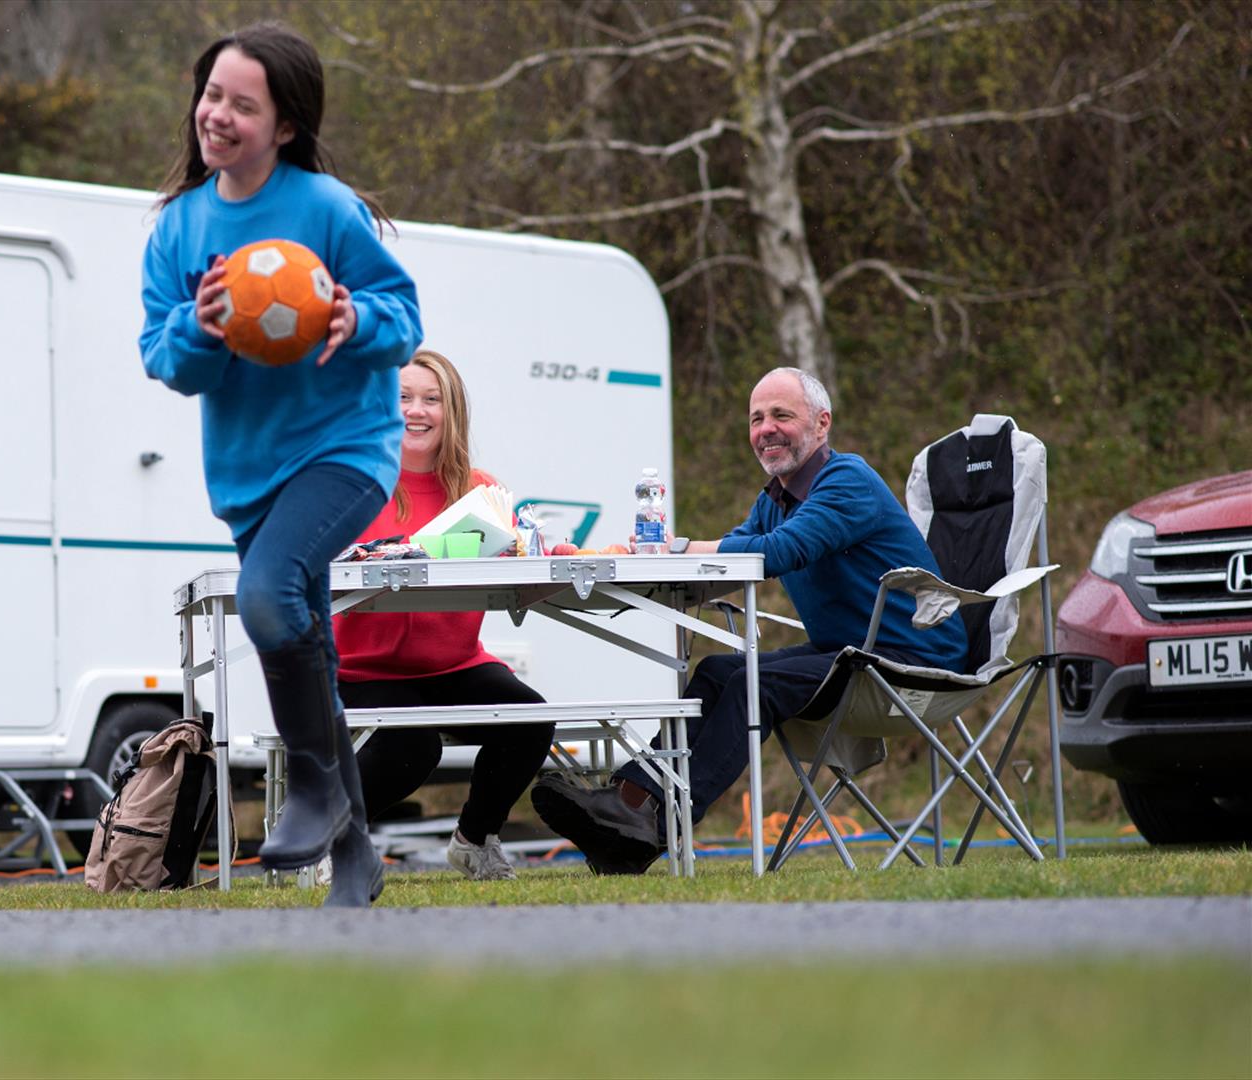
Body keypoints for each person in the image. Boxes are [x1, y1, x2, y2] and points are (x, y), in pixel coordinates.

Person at [139, 22, 422, 908]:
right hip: (247, 474)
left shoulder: (328, 210)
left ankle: (310, 787)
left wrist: (355, 320)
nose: (216, 115)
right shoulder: (178, 231)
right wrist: (203, 326)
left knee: (267, 599)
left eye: (241, 104)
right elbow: (165, 360)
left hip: (345, 450)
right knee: (307, 642)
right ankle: (357, 856)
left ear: (284, 126)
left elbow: (402, 316)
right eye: (211, 94)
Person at [532, 367, 967, 873]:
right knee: (720, 671)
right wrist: (660, 560)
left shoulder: (847, 480)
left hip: (907, 661)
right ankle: (630, 809)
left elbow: (778, 552)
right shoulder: (775, 500)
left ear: (822, 423)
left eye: (782, 415)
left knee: (750, 684)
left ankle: (651, 820)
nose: (766, 428)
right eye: (757, 418)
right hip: (846, 653)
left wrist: (673, 548)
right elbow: (737, 549)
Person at [334, 350, 551, 881]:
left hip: (454, 665)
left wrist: (536, 555)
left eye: (431, 399)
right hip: (366, 669)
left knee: (532, 719)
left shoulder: (480, 490)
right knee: (412, 744)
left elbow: (524, 558)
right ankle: (329, 838)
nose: (417, 410)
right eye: (404, 398)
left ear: (451, 411)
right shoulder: (355, 481)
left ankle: (474, 841)